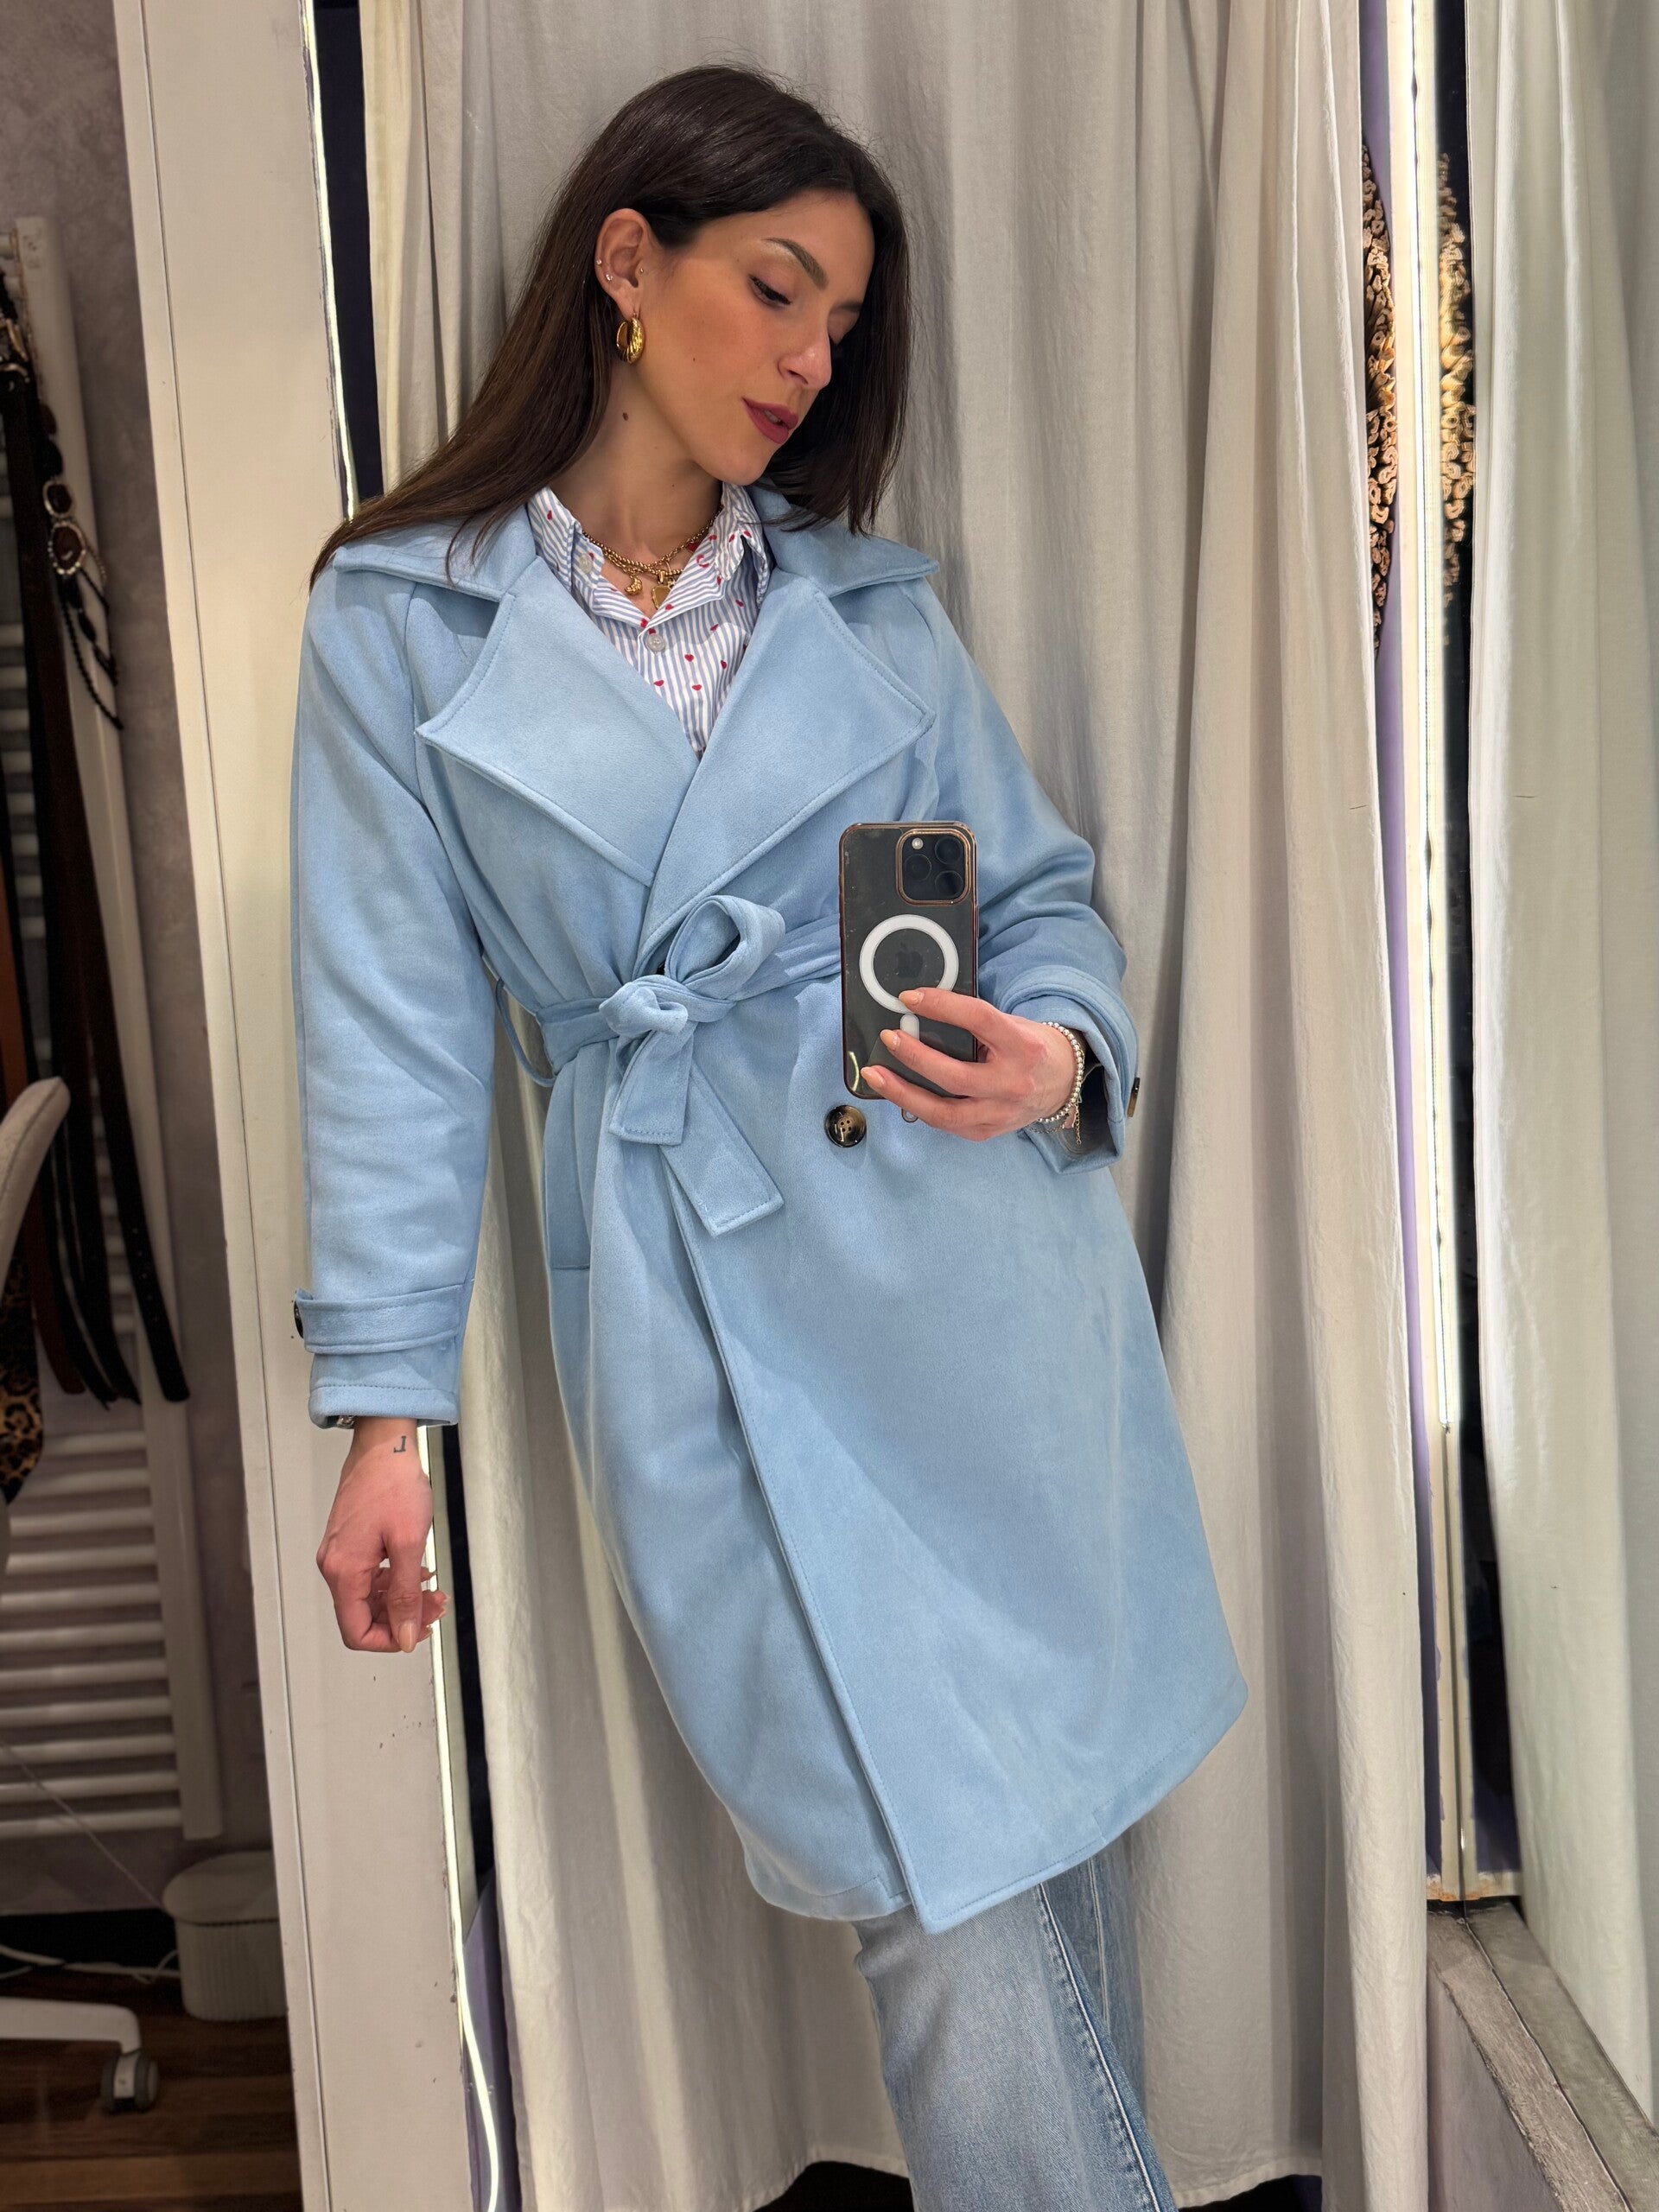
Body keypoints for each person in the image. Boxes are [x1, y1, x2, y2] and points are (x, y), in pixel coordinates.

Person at [290, 60, 1245, 2212]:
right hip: (697, 1295)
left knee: (1039, 1848)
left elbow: (1040, 901)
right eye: (778, 290)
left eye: (844, 323)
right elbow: (388, 1031)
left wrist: (1055, 1059)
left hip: (970, 1280)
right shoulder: (402, 619)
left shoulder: (867, 609)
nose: (812, 359)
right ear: (628, 263)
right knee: (931, 1877)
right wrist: (383, 1411)